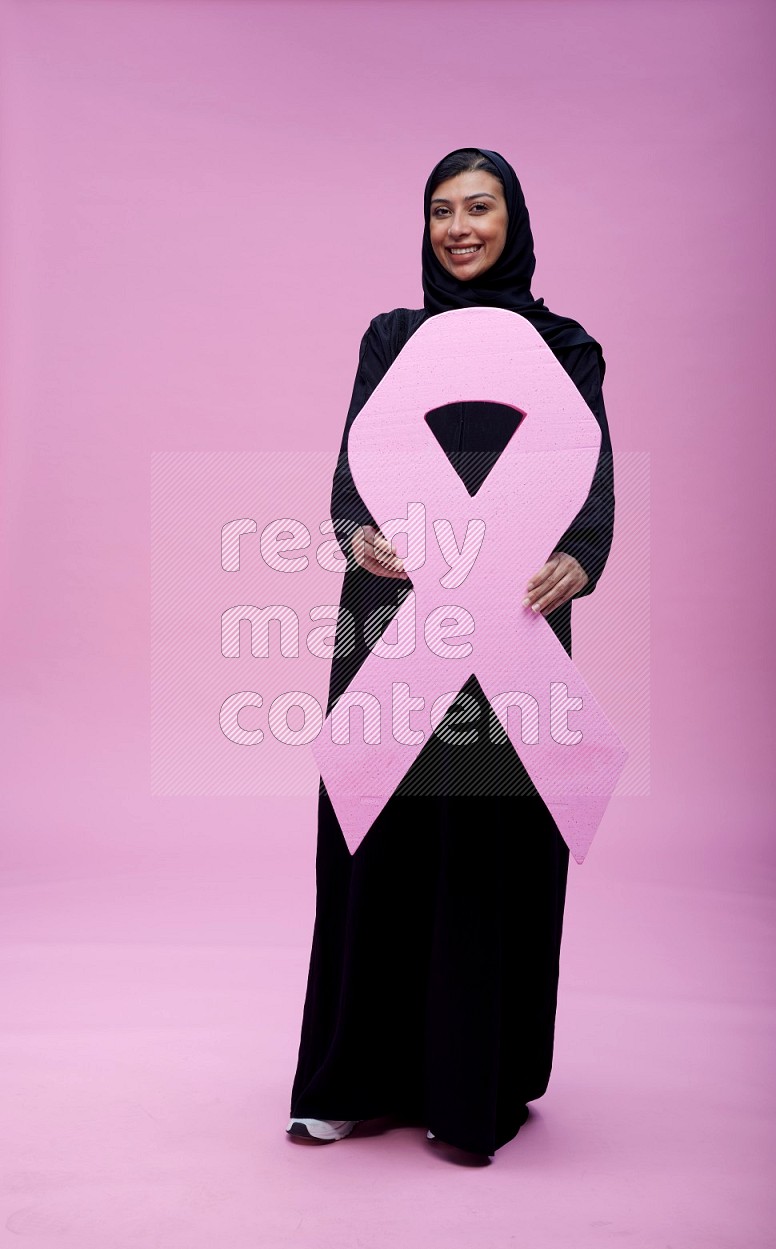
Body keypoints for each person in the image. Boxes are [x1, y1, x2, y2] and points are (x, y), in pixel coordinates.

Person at [285, 147, 615, 1159]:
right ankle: (349, 1078)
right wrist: (354, 532)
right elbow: (355, 465)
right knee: (372, 834)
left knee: (483, 842)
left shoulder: (565, 346)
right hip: (392, 617)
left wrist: (580, 554)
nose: (457, 228)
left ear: (513, 218)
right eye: (439, 211)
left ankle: (471, 1089)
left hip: (507, 622)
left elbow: (588, 474)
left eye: (477, 208)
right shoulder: (390, 337)